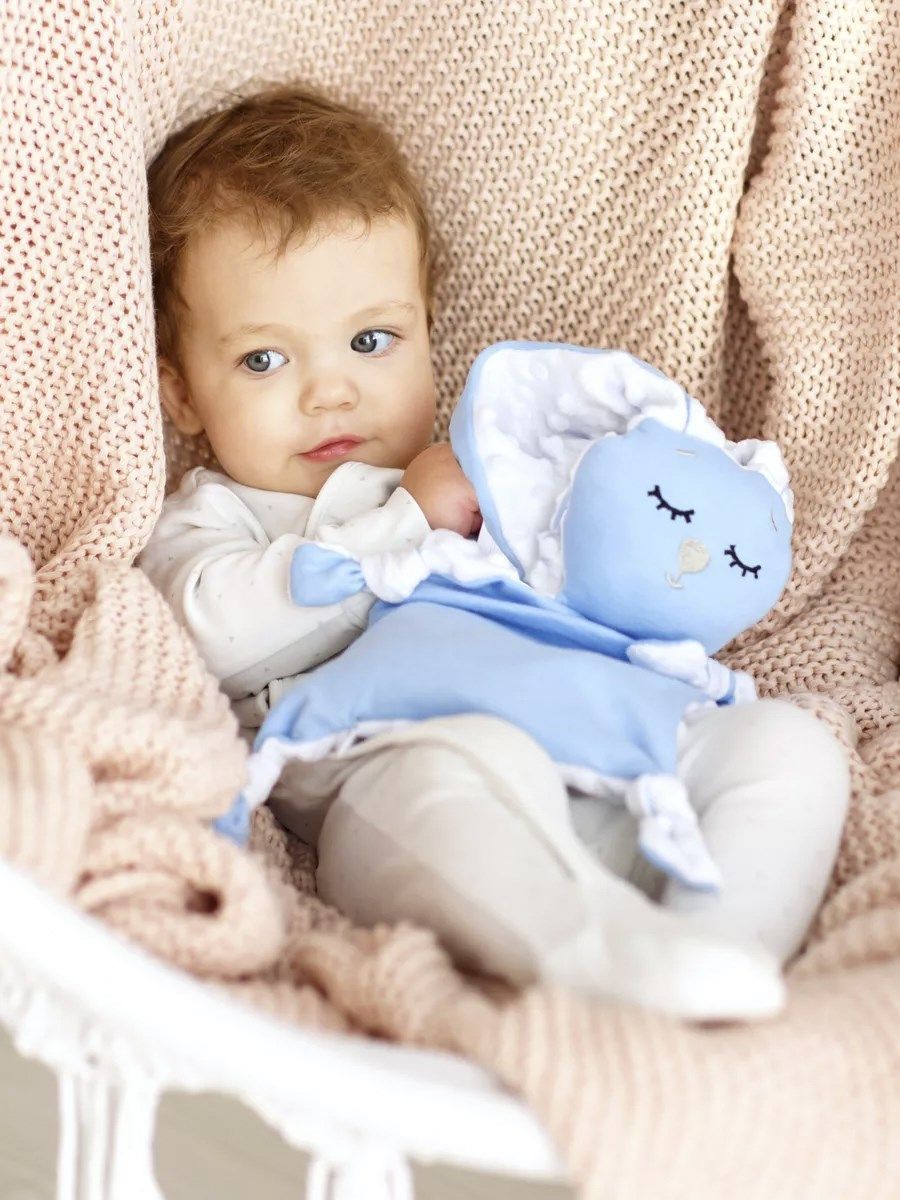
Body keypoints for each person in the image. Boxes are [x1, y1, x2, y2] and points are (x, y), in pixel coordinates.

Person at [140, 86, 849, 1020]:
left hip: (604, 750)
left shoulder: (488, 471)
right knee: (463, 770)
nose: (330, 392)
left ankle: (726, 939)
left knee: (787, 743)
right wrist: (405, 526)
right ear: (181, 393)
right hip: (402, 778)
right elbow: (211, 634)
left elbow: (597, 583)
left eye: (371, 340)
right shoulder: (217, 516)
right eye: (264, 360)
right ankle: (595, 951)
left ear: (429, 336)